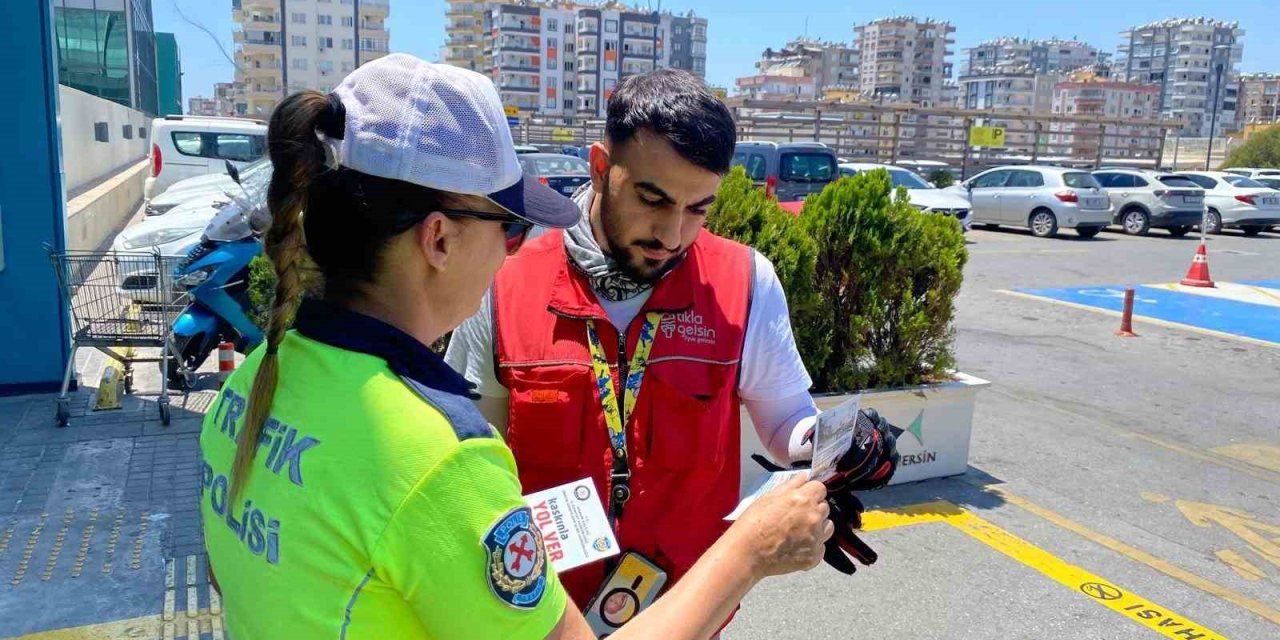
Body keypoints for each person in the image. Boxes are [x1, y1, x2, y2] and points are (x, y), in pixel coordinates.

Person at [198, 54, 833, 640]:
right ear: (439, 239)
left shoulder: (251, 381)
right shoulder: (438, 458)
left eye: (699, 208)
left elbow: (236, 579)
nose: (514, 248)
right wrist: (752, 550)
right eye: (506, 224)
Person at [445, 67, 900, 621]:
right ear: (599, 167)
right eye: (652, 199)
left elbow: (786, 423)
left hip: (692, 610)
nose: (672, 235)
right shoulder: (506, 281)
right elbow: (474, 463)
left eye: (698, 208)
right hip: (539, 616)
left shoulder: (746, 280)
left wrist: (835, 441)